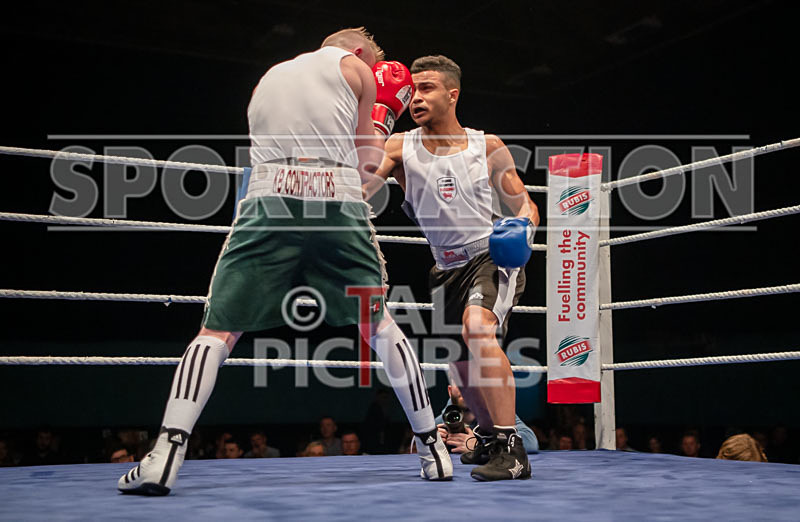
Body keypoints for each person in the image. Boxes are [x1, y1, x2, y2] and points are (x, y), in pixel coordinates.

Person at [118, 27, 451, 496]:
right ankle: (434, 450)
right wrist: (381, 122)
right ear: (358, 52)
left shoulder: (267, 79)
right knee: (378, 327)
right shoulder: (357, 69)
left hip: (269, 196)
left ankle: (164, 453)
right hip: (334, 194)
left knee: (218, 330)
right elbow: (366, 164)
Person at [372, 55, 539, 481]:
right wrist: (373, 125)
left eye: (426, 87)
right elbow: (360, 186)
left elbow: (524, 203)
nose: (416, 96)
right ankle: (486, 438)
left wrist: (524, 230)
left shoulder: (488, 146)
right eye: (412, 89)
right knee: (460, 364)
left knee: (477, 330)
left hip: (489, 256)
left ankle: (511, 448)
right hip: (443, 268)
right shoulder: (399, 147)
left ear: (452, 94)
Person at [434, 378, 538, 455]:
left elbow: (531, 442)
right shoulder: (439, 425)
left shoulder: (496, 412)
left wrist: (480, 445)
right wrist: (430, 442)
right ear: (450, 391)